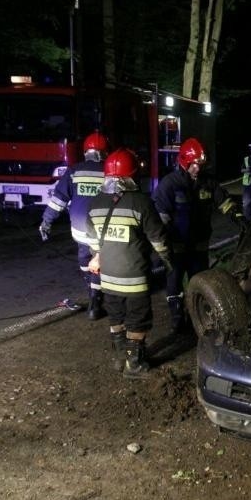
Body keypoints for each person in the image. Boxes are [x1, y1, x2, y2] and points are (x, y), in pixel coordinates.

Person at [85, 148, 173, 379]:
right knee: (138, 318)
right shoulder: (141, 202)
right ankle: (134, 365)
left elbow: (93, 241)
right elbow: (158, 239)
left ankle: (120, 358)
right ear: (132, 175)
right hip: (134, 277)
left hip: (108, 277)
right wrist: (168, 261)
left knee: (116, 315)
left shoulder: (95, 203)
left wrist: (97, 255)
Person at [152, 137, 240, 332]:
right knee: (174, 282)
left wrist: (238, 216)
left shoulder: (208, 182)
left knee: (199, 281)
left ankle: (199, 316)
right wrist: (161, 244)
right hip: (177, 246)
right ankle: (176, 318)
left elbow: (224, 202)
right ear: (184, 161)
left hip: (199, 244)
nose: (197, 169)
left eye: (200, 165)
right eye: (193, 165)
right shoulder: (170, 184)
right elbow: (161, 217)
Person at [39, 130, 109, 320]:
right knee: (98, 264)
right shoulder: (109, 172)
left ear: (85, 151)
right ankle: (95, 302)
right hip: (101, 231)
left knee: (85, 261)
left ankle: (92, 291)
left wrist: (46, 222)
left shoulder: (74, 171)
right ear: (104, 153)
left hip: (79, 230)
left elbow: (58, 200)